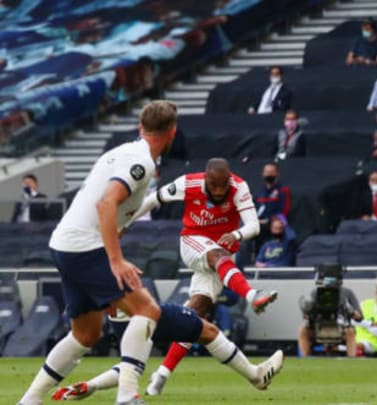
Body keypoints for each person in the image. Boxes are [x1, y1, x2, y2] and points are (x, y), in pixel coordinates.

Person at [17, 100, 178, 405]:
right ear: (173, 132)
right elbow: (106, 204)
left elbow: (108, 206)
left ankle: (30, 401)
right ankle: (127, 397)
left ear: (141, 127)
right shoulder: (141, 162)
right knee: (147, 310)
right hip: (84, 246)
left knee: (86, 334)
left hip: (64, 244)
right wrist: (116, 260)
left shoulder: (121, 151)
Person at [125, 157, 278, 397]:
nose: (218, 191)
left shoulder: (239, 187)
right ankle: (252, 294)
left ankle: (161, 376)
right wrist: (125, 222)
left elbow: (254, 227)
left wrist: (237, 234)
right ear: (206, 178)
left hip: (222, 257)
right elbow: (155, 198)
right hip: (193, 243)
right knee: (217, 255)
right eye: (213, 185)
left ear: (229, 180)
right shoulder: (188, 184)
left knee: (194, 318)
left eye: (222, 186)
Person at [50, 303, 283, 400]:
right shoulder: (104, 217)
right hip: (139, 309)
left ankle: (86, 387)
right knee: (207, 330)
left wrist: (91, 386)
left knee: (132, 364)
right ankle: (255, 375)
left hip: (123, 318)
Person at [298, 277, 363, 357]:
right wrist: (308, 314)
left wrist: (355, 314)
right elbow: (308, 312)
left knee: (350, 331)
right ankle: (305, 359)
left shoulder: (347, 292)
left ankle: (352, 359)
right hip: (319, 327)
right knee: (303, 330)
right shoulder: (315, 293)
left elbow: (359, 315)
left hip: (340, 328)